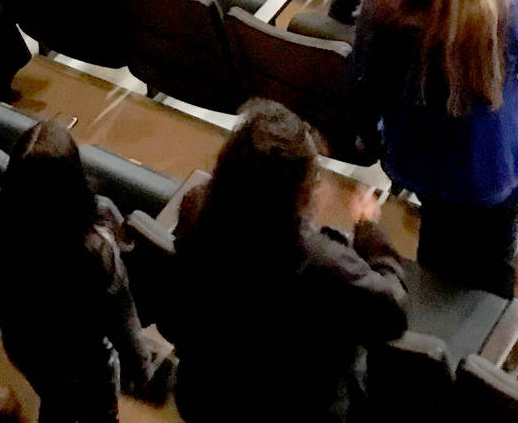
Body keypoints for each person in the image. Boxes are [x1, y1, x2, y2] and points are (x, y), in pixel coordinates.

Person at [352, 0, 518, 298]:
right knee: (496, 261)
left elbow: (366, 81)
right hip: (495, 161)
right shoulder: (508, 1)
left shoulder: (380, 4)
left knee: (437, 245)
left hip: (423, 157)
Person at [171, 101, 407, 423]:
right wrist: (371, 237)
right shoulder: (327, 265)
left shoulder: (195, 210)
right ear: (301, 192)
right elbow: (392, 313)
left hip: (208, 399)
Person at [0, 120, 170, 420]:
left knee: (54, 399)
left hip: (24, 345)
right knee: (98, 414)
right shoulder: (94, 242)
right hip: (83, 361)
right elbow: (123, 316)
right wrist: (140, 367)